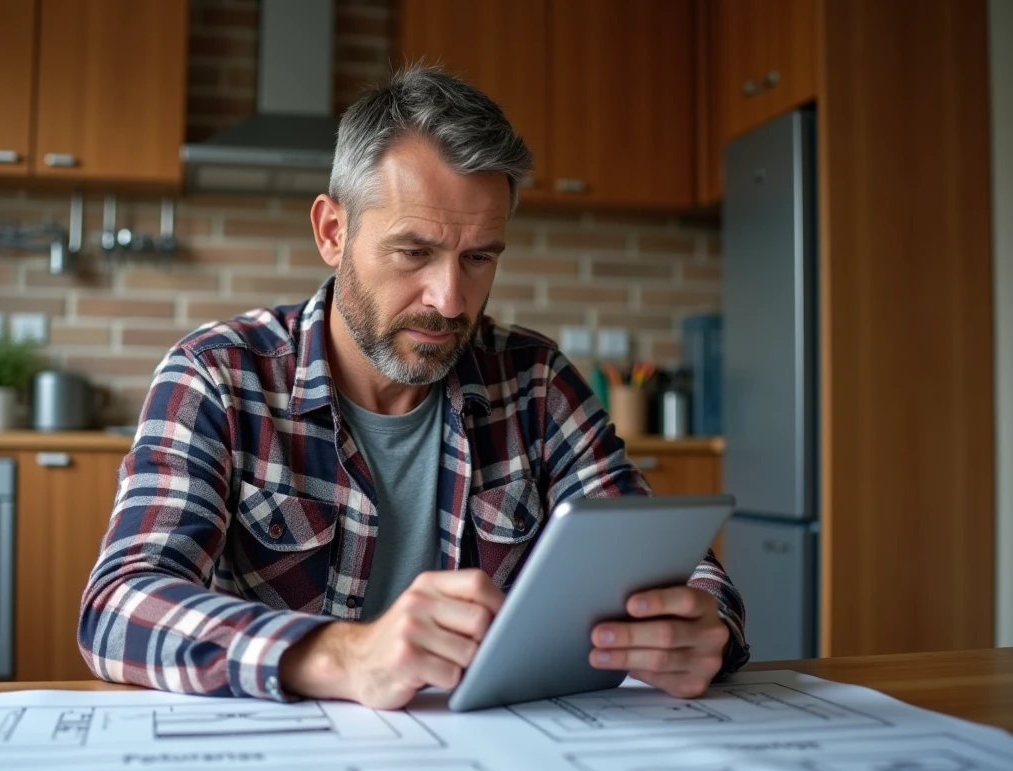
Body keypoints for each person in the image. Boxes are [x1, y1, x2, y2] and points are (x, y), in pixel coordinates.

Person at [78, 64, 748, 709]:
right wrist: (343, 655)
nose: (450, 300)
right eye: (414, 252)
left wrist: (703, 628)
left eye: (478, 257)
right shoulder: (218, 375)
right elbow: (117, 607)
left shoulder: (536, 382)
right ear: (333, 232)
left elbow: (672, 567)